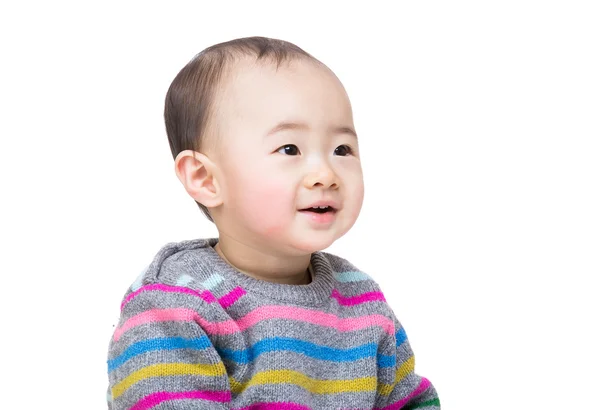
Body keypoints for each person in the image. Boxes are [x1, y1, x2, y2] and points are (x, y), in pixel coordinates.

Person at [106, 36, 440, 409]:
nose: (325, 174)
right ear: (204, 178)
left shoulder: (361, 300)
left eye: (341, 149)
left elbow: (410, 400)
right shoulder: (175, 304)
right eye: (289, 149)